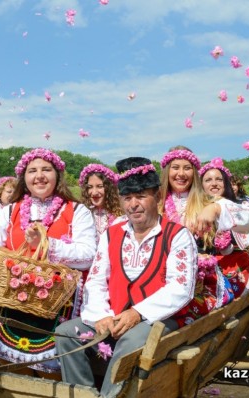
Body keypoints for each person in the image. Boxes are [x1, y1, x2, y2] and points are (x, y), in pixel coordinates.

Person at [55, 157, 197, 397]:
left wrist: (137, 313)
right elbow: (97, 281)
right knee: (67, 333)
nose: (134, 204)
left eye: (141, 196)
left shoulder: (177, 235)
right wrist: (101, 316)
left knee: (131, 341)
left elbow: (180, 289)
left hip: (159, 318)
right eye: (127, 198)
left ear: (157, 197)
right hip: (115, 315)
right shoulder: (112, 235)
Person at [0, 147, 96, 376]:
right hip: (10, 304)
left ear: (58, 175)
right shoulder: (9, 211)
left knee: (50, 373)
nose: (39, 176)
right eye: (32, 171)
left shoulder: (77, 211)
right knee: (12, 371)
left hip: (57, 305)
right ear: (24, 178)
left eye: (46, 169)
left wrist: (46, 245)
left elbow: (88, 255)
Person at [159, 146, 249, 326]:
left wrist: (216, 208)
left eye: (187, 168)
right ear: (167, 171)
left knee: (175, 322)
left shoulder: (208, 201)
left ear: (194, 173)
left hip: (201, 287)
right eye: (175, 167)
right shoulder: (156, 203)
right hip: (161, 282)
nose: (181, 173)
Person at [199, 157, 249, 298]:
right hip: (204, 271)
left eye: (219, 179)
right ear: (200, 185)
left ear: (226, 183)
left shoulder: (239, 206)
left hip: (234, 267)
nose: (214, 184)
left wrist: (218, 208)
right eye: (208, 180)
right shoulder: (194, 209)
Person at [78, 163, 124, 241]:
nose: (94, 192)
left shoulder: (121, 216)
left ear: (109, 189)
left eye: (100, 186)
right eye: (90, 187)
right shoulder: (82, 215)